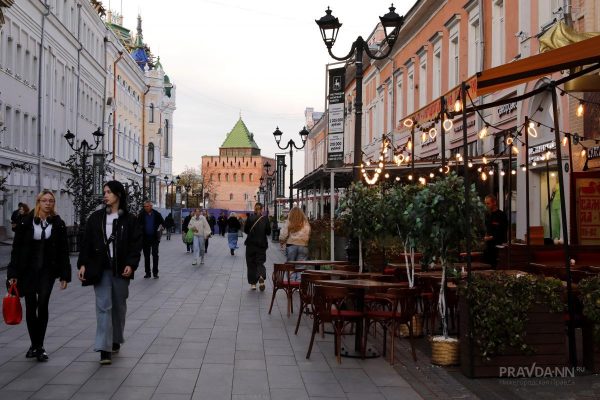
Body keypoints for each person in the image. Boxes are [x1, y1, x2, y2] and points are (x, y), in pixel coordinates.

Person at [77, 181, 142, 365]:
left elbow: (135, 245)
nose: (105, 195)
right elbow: (87, 243)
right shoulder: (96, 218)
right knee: (103, 307)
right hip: (100, 269)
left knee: (119, 307)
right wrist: (83, 264)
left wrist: (131, 264)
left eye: (109, 192)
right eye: (104, 192)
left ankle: (115, 339)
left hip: (121, 269)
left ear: (118, 195)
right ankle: (104, 349)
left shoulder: (129, 219)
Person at [7, 191, 70, 362]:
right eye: (45, 200)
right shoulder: (26, 221)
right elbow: (16, 250)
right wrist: (12, 274)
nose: (48, 203)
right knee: (30, 306)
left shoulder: (58, 223)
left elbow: (64, 251)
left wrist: (65, 275)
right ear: (38, 202)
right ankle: (34, 345)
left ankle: (39, 346)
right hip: (27, 271)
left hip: (47, 271)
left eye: (51, 201)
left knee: (42, 304)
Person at [244, 203, 271, 291]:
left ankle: (253, 284)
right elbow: (268, 232)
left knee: (251, 263)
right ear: (262, 209)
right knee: (260, 262)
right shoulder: (265, 219)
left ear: (254, 209)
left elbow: (246, 230)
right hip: (261, 245)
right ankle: (261, 277)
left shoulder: (250, 218)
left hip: (250, 245)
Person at [137, 201, 164, 279]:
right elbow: (137, 225)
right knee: (146, 256)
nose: (146, 208)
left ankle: (155, 273)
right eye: (144, 206)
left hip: (155, 238)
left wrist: (161, 228)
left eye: (147, 206)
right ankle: (147, 273)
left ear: (151, 206)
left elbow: (163, 223)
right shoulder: (141, 215)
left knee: (155, 255)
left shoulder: (157, 214)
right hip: (145, 238)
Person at [483, 194, 508, 269]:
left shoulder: (501, 215)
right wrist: (486, 236)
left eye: (488, 203)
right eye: (485, 203)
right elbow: (487, 229)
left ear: (494, 202)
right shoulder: (488, 215)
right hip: (489, 246)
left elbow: (503, 230)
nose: (486, 205)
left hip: (498, 247)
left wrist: (492, 237)